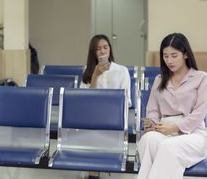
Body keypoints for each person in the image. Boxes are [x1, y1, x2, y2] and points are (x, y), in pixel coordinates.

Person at [137, 33, 207, 179]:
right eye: (165, 56)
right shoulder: (159, 80)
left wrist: (174, 127)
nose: (169, 60)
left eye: (174, 56)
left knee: (169, 147)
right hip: (163, 130)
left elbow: (199, 114)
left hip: (193, 134)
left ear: (186, 54)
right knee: (148, 140)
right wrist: (152, 124)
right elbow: (152, 110)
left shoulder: (202, 78)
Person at [80, 34, 131, 179]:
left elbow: (126, 101)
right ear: (93, 53)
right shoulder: (88, 72)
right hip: (92, 118)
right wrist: (95, 76)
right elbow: (84, 102)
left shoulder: (122, 71)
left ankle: (95, 172)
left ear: (110, 50)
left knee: (96, 135)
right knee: (91, 132)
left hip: (113, 117)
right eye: (98, 49)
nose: (102, 52)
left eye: (105, 47)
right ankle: (93, 173)